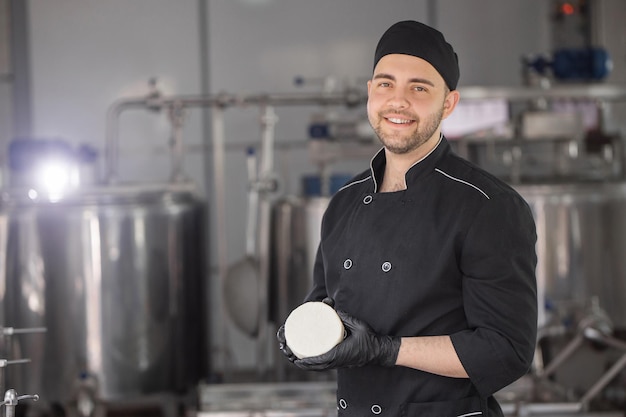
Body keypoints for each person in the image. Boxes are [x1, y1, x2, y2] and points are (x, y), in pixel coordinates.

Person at [277, 20, 538, 417]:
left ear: (448, 103)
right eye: (385, 84)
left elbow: (506, 349)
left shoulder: (487, 206)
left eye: (419, 88)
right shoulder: (343, 203)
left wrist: (386, 350)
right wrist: (305, 335)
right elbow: (324, 304)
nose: (398, 101)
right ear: (370, 92)